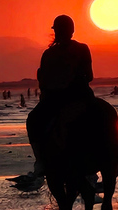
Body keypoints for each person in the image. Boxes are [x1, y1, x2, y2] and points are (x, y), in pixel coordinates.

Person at [26, 14, 95, 176]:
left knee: (33, 120)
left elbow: (43, 81)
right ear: (72, 31)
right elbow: (90, 77)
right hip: (82, 96)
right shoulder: (82, 48)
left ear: (56, 31)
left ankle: (40, 161)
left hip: (56, 100)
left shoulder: (48, 54)